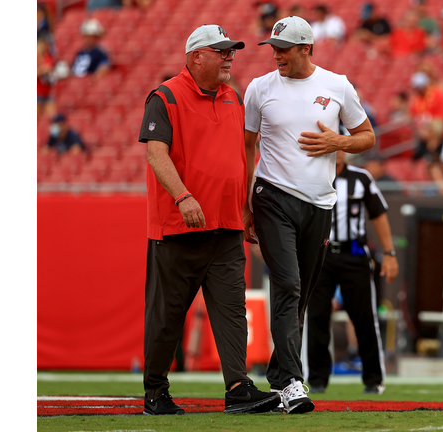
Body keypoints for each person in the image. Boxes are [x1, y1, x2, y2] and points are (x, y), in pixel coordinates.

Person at [138, 24, 279, 416]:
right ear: (195, 56)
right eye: (221, 51)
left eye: (231, 50)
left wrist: (246, 208)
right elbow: (155, 154)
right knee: (167, 316)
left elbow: (240, 160)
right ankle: (155, 393)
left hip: (227, 228)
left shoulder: (233, 97)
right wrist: (182, 196)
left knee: (233, 310)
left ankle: (238, 387)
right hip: (179, 229)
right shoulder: (165, 96)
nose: (230, 56)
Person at [244, 15, 375, 414]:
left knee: (298, 295)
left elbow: (368, 136)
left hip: (320, 203)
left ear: (306, 48)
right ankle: (290, 383)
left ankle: (278, 374)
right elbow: (246, 148)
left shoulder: (337, 84)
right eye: (273, 48)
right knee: (287, 286)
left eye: (284, 48)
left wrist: (339, 141)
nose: (277, 55)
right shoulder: (258, 88)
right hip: (272, 197)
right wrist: (245, 200)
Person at [305, 150, 398, 395]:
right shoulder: (309, 174)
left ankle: (373, 379)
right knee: (316, 317)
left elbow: (378, 214)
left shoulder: (361, 178)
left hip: (354, 254)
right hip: (320, 255)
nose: (336, 153)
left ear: (346, 149)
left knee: (364, 317)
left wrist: (390, 253)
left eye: (340, 146)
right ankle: (315, 379)